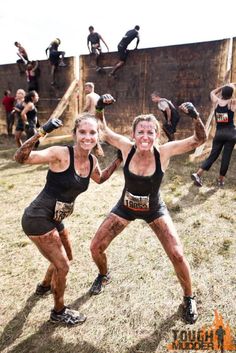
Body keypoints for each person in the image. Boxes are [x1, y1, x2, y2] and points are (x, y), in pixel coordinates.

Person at [89, 95, 207, 324]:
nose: (145, 136)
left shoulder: (164, 152)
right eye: (140, 132)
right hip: (126, 207)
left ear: (156, 135)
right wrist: (100, 107)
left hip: (154, 209)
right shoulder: (126, 147)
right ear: (133, 135)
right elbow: (102, 131)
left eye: (150, 132)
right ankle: (103, 275)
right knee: (95, 247)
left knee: (177, 254)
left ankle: (189, 297)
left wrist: (195, 116)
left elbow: (198, 140)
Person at [14, 114, 122, 326]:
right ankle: (58, 311)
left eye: (92, 133)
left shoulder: (91, 161)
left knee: (67, 256)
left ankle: (45, 285)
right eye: (82, 132)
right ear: (75, 134)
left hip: (56, 218)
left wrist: (118, 160)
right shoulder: (61, 154)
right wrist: (41, 131)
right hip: (37, 217)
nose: (87, 137)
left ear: (97, 136)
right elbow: (21, 157)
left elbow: (100, 179)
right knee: (62, 266)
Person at [191, 84, 236, 187]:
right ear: (231, 94)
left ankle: (198, 174)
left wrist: (223, 86)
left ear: (222, 93)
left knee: (213, 155)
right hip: (231, 133)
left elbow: (212, 92)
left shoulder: (216, 102)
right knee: (226, 157)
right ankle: (220, 180)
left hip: (219, 133)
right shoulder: (232, 102)